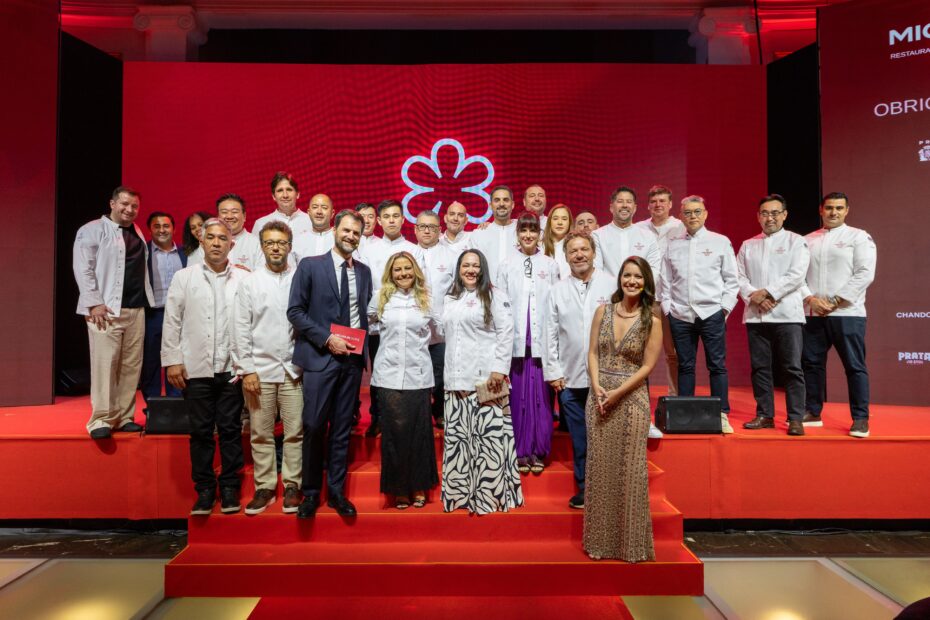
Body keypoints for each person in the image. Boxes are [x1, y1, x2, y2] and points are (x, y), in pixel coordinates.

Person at [287, 209, 372, 519]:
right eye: (346, 230)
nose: (351, 236)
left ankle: (336, 492)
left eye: (356, 233)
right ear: (335, 230)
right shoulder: (310, 266)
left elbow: (362, 312)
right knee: (313, 425)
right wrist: (326, 339)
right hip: (321, 358)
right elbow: (295, 312)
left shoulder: (364, 272)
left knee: (341, 428)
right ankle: (311, 493)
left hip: (351, 362)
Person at [162, 218, 247, 515]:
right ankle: (205, 490)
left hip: (231, 369)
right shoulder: (184, 277)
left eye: (222, 238)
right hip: (195, 368)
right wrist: (172, 360)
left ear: (231, 244)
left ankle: (230, 487)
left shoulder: (243, 278)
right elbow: (172, 320)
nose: (216, 243)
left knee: (231, 430)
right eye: (211, 237)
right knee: (200, 432)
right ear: (201, 240)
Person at [584, 256, 661, 562]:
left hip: (631, 401)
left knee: (629, 474)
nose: (631, 281)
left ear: (646, 283)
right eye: (627, 275)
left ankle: (631, 546)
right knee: (600, 472)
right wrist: (596, 385)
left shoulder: (652, 321)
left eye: (638, 277)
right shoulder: (602, 311)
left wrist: (618, 392)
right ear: (620, 279)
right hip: (599, 398)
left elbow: (647, 367)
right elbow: (592, 353)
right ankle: (599, 543)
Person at [441, 249, 522, 514]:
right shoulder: (450, 297)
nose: (471, 270)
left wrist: (499, 370)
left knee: (489, 443)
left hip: (487, 380)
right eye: (466, 265)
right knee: (459, 443)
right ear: (459, 269)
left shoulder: (495, 295)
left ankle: (490, 497)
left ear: (483, 268)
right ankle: (460, 496)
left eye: (476, 265)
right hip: (455, 381)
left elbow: (506, 332)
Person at [233, 221, 303, 515]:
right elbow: (240, 328)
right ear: (262, 247)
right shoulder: (250, 282)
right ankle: (264, 487)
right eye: (270, 243)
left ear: (290, 247)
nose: (276, 248)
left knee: (295, 432)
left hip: (293, 370)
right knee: (261, 433)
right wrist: (247, 369)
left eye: (281, 243)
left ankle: (293, 485)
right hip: (259, 370)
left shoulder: (300, 278)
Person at [73, 186, 154, 439]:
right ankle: (101, 419)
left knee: (130, 366)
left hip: (136, 308)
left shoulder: (137, 231)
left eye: (134, 206)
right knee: (104, 364)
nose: (129, 210)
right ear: (112, 203)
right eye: (124, 204)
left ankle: (124, 416)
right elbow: (83, 268)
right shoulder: (92, 229)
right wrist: (93, 302)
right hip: (105, 309)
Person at [544, 232, 615, 509]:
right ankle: (586, 488)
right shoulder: (557, 290)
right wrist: (553, 371)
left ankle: (611, 490)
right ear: (565, 257)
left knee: (606, 437)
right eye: (573, 251)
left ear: (594, 252)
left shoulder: (611, 285)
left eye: (584, 249)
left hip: (606, 378)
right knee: (580, 437)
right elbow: (549, 334)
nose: (579, 255)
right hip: (570, 378)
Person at [658, 196, 739, 434]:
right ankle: (685, 415)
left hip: (711, 312)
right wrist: (668, 309)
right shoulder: (672, 244)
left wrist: (723, 310)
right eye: (687, 212)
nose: (692, 216)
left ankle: (721, 414)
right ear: (680, 216)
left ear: (705, 214)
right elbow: (665, 281)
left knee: (717, 366)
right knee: (685, 366)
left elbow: (732, 280)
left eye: (697, 212)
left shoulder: (720, 241)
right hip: (680, 315)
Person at [800, 192, 876, 438]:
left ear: (847, 211)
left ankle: (861, 418)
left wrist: (835, 301)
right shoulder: (806, 240)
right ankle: (812, 412)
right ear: (821, 210)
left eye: (839, 208)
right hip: (813, 313)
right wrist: (810, 299)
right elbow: (797, 276)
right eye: (829, 207)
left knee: (854, 366)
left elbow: (865, 273)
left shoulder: (858, 237)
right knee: (811, 364)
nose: (834, 212)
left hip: (847, 313)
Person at [368, 251, 440, 509]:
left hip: (418, 375)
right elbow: (371, 326)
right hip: (388, 375)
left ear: (415, 271)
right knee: (394, 434)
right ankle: (399, 489)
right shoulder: (380, 297)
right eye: (397, 270)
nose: (403, 274)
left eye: (407, 268)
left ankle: (419, 485)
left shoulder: (427, 298)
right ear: (391, 273)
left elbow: (440, 332)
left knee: (419, 433)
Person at [736, 194, 810, 436]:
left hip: (787, 315)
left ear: (784, 215)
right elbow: (739, 277)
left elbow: (797, 275)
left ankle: (795, 418)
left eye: (775, 213)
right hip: (756, 315)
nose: (770, 218)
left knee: (792, 368)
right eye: (765, 213)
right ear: (758, 216)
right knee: (760, 368)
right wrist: (753, 296)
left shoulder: (796, 241)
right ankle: (765, 414)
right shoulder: (748, 244)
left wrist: (767, 293)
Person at [356, 199, 424, 437]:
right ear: (379, 221)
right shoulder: (368, 249)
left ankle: (406, 418)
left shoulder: (414, 249)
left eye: (396, 216)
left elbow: (420, 284)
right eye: (386, 216)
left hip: (407, 319)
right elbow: (364, 286)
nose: (391, 220)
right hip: (378, 321)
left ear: (403, 219)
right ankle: (378, 416)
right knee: (379, 370)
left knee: (408, 369)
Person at [497, 214, 558, 475]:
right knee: (517, 399)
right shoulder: (505, 265)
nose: (528, 235)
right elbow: (500, 305)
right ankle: (519, 451)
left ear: (540, 234)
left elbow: (555, 303)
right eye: (524, 230)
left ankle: (538, 450)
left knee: (541, 401)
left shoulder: (550, 265)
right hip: (515, 343)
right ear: (518, 234)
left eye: (533, 230)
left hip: (542, 342)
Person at [637, 185, 686, 398]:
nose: (658, 205)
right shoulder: (639, 228)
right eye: (654, 201)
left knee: (672, 353)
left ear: (670, 204)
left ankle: (675, 398)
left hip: (670, 299)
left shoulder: (681, 227)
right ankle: (637, 396)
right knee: (636, 351)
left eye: (662, 201)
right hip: (643, 299)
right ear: (648, 205)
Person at [415, 210, 458, 428]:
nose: (427, 231)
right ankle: (420, 414)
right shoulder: (407, 254)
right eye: (422, 226)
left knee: (441, 373)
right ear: (415, 229)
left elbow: (457, 291)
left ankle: (440, 411)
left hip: (442, 330)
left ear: (439, 230)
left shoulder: (451, 256)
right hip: (414, 328)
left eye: (432, 227)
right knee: (417, 373)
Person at [142, 211, 187, 400]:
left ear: (173, 229)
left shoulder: (186, 253)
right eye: (157, 226)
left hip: (180, 316)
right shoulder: (143, 252)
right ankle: (152, 406)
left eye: (166, 226)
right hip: (153, 315)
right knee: (150, 362)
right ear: (150, 230)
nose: (162, 230)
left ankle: (176, 403)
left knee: (178, 360)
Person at [592, 186, 661, 279]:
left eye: (629, 201)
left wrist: (637, 286)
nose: (625, 205)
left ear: (635, 208)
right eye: (620, 201)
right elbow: (596, 271)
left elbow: (653, 271)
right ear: (611, 207)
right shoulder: (597, 235)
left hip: (640, 287)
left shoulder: (648, 237)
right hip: (608, 288)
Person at [468, 186, 520, 285]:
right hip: (487, 291)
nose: (501, 204)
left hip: (518, 291)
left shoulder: (523, 232)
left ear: (512, 204)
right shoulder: (479, 234)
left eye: (506, 200)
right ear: (490, 205)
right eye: (497, 200)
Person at [252, 171, 313, 237]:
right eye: (280, 190)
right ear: (273, 196)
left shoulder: (311, 221)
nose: (285, 195)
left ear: (297, 194)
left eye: (289, 189)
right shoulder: (260, 225)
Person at [218, 194, 264, 272]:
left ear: (244, 216)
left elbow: (264, 275)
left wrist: (248, 274)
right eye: (224, 212)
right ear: (218, 217)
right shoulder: (211, 243)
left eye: (234, 212)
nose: (229, 216)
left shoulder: (257, 243)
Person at [292, 194, 335, 261]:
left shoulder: (340, 239)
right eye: (315, 207)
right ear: (309, 212)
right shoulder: (297, 241)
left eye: (324, 208)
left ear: (332, 213)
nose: (319, 212)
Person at [542, 204, 573, 279]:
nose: (560, 222)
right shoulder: (540, 246)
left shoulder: (575, 246)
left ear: (569, 223)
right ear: (550, 222)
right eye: (555, 219)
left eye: (564, 219)